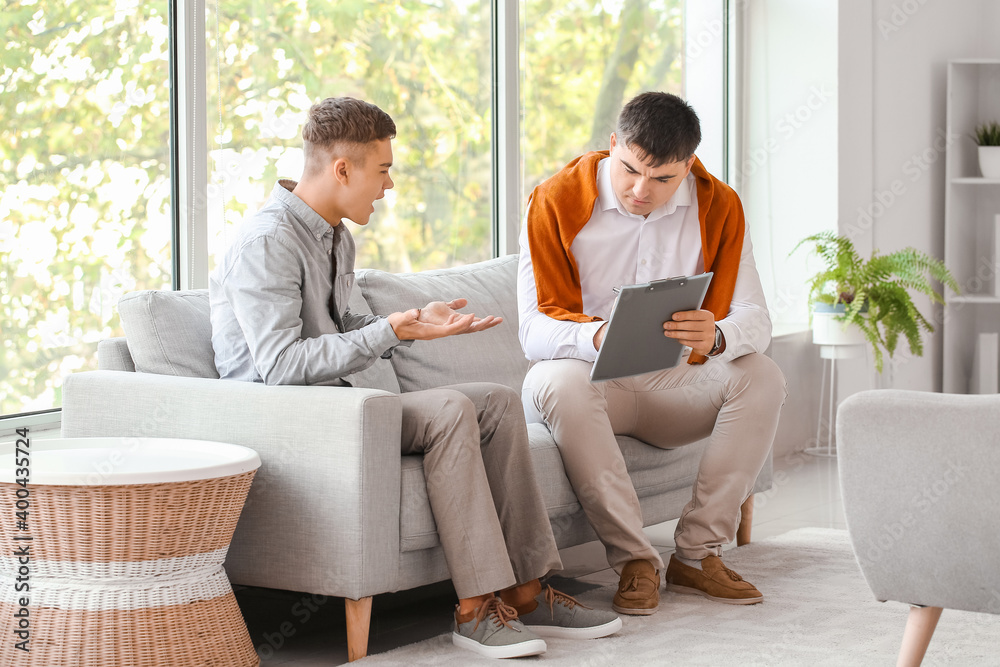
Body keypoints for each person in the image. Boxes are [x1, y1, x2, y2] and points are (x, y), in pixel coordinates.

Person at [209, 96, 621, 658]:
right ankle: (475, 609)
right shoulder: (267, 242)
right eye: (383, 170)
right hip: (290, 420)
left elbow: (343, 324)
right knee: (450, 409)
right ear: (343, 169)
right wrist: (388, 334)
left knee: (497, 402)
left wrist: (410, 324)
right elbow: (280, 366)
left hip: (343, 405)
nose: (389, 186)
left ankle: (527, 590)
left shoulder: (334, 235)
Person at [517, 92, 787, 616]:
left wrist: (718, 335)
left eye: (663, 179)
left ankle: (697, 554)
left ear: (687, 166)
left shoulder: (719, 206)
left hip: (674, 386)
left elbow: (756, 317)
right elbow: (533, 331)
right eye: (630, 170)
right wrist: (596, 336)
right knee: (557, 380)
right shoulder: (554, 200)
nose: (642, 190)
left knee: (763, 375)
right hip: (591, 386)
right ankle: (636, 560)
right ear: (613, 144)